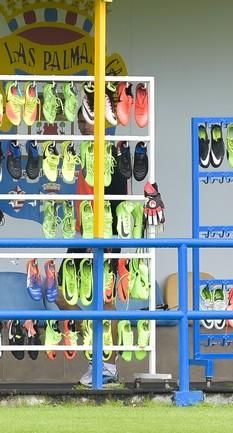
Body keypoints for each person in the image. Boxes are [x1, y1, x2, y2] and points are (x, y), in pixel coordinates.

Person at [55, 108, 129, 385]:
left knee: (106, 301)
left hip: (103, 236)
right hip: (82, 235)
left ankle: (107, 367)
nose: (86, 127)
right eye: (82, 122)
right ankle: (97, 352)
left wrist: (104, 241)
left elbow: (118, 203)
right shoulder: (82, 154)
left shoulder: (112, 155)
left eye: (91, 122)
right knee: (60, 295)